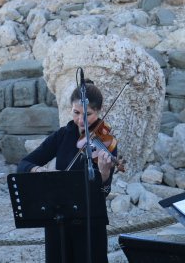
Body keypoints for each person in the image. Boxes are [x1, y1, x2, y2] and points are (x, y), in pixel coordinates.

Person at [17, 80, 117, 263]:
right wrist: (38, 170)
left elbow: (104, 191)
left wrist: (104, 175)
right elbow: (24, 163)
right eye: (76, 113)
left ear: (99, 111)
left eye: (88, 114)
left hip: (90, 221)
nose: (81, 120)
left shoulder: (105, 140)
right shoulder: (63, 135)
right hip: (58, 218)